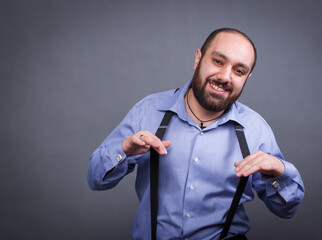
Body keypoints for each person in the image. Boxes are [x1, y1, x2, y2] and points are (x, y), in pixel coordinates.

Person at [87, 28, 305, 240]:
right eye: (218, 61)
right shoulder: (147, 111)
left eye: (239, 71)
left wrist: (280, 172)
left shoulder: (255, 130)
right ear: (198, 58)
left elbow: (286, 210)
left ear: (247, 77)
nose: (225, 76)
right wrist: (123, 150)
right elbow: (96, 180)